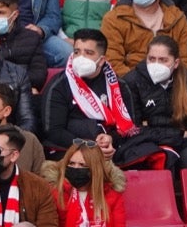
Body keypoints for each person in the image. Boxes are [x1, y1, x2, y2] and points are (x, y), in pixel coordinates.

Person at [40, 30, 162, 166]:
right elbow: (54, 132)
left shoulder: (119, 86)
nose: (81, 57)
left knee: (148, 151)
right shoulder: (59, 85)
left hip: (111, 149)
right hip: (73, 149)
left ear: (102, 60)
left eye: (88, 53)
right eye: (77, 52)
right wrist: (89, 146)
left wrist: (111, 139)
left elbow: (130, 126)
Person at [99, 0, 187, 78]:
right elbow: (113, 65)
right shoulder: (114, 19)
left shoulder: (177, 18)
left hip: (171, 88)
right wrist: (144, 88)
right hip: (131, 89)